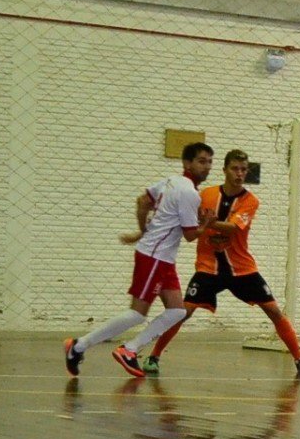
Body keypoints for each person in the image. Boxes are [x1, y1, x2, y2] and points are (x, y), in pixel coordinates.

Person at [144, 148, 300, 378]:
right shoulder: (205, 195)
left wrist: (206, 222)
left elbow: (234, 227)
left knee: (274, 311)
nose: (240, 174)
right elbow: (186, 216)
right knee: (181, 312)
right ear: (225, 169)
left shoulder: (250, 201)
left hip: (242, 268)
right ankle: (153, 357)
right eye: (235, 169)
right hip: (208, 267)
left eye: (244, 169)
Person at [64, 142, 213, 378]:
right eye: (201, 161)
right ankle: (80, 345)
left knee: (177, 311)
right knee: (137, 313)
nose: (207, 167)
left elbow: (142, 201)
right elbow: (190, 235)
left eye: (209, 162)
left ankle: (130, 349)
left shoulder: (169, 181)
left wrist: (143, 230)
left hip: (162, 257)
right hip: (154, 257)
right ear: (187, 163)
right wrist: (206, 223)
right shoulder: (189, 193)